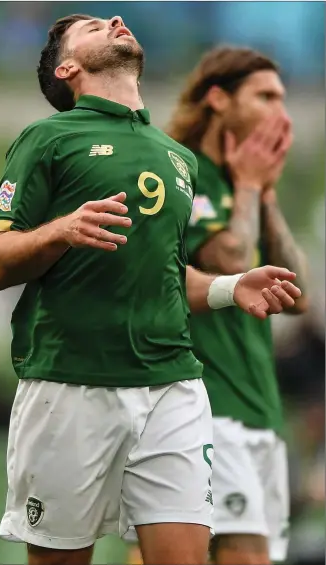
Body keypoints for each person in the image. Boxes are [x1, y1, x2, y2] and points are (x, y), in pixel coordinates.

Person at [0, 17, 301, 565]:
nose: (114, 20)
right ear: (69, 68)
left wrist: (230, 285)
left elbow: (168, 273)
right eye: (90, 26)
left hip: (171, 384)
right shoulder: (48, 137)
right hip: (70, 380)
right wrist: (61, 228)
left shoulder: (176, 157)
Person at [165, 47, 308, 565]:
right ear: (219, 98)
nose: (281, 113)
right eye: (266, 96)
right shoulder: (186, 171)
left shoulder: (242, 187)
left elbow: (299, 295)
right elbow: (224, 258)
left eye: (283, 99)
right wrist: (248, 186)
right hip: (208, 405)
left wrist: (264, 195)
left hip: (259, 408)